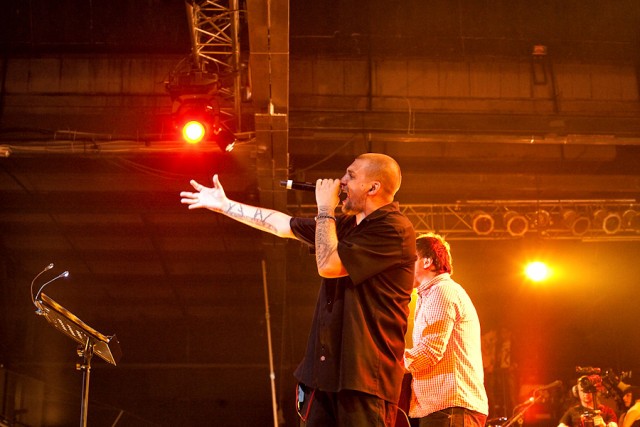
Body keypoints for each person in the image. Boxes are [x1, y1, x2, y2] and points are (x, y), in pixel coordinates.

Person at [180, 153, 417, 426]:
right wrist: (225, 206)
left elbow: (329, 265)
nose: (341, 181)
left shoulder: (394, 229)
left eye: (351, 176)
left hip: (364, 379)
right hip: (323, 376)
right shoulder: (345, 226)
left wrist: (325, 209)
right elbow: (283, 225)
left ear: (373, 187)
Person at [403, 232, 489, 427]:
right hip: (447, 408)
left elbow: (429, 352)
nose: (404, 266)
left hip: (450, 408)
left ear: (427, 261)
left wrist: (387, 362)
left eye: (409, 260)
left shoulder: (441, 291)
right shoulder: (432, 294)